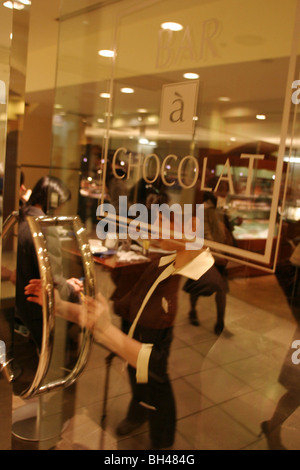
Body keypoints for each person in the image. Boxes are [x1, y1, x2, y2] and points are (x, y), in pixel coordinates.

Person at [25, 241, 214, 450]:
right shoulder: (156, 248)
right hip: (135, 318)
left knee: (156, 381)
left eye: (165, 217)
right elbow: (122, 290)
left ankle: (163, 441)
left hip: (155, 324)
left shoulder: (195, 269)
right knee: (137, 374)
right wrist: (60, 306)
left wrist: (105, 329)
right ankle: (140, 410)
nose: (155, 223)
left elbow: (153, 363)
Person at [16, 175, 83, 349]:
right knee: (83, 302)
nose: (60, 209)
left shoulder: (23, 217)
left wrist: (64, 282)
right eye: (60, 204)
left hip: (22, 303)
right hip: (39, 310)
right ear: (53, 202)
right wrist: (71, 288)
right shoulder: (45, 229)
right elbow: (54, 282)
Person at [183, 191, 233, 333]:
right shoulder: (204, 211)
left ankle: (220, 322)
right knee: (197, 285)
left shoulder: (219, 210)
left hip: (218, 255)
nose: (223, 194)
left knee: (221, 288)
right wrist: (218, 256)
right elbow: (207, 236)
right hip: (206, 255)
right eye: (221, 190)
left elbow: (224, 232)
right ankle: (193, 311)